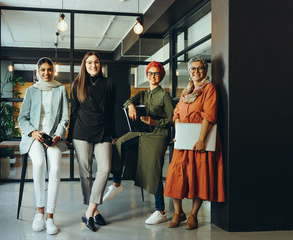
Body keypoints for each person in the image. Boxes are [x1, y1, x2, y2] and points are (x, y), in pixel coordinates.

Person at [103, 61, 174, 225]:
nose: (153, 76)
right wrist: (131, 106)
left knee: (153, 169)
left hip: (158, 134)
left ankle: (160, 211)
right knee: (120, 142)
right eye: (150, 73)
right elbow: (128, 100)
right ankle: (117, 183)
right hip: (143, 132)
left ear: (161, 76)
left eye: (156, 73)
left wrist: (154, 121)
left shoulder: (164, 95)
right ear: (146, 75)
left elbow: (171, 119)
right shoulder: (142, 94)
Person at [164, 56, 225, 230]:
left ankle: (193, 215)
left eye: (200, 68)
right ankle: (178, 213)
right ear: (189, 72)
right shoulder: (186, 92)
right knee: (175, 177)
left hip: (199, 142)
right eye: (193, 69)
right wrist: (178, 133)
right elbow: (176, 114)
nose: (196, 72)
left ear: (205, 71)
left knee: (198, 177)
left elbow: (209, 115)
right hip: (183, 142)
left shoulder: (209, 89)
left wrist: (201, 140)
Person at [18, 57, 69, 235]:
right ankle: (39, 211)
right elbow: (22, 118)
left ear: (53, 71)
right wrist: (33, 132)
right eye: (43, 70)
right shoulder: (31, 91)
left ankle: (49, 216)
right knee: (39, 164)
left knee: (55, 168)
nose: (46, 73)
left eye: (49, 69)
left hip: (53, 138)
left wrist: (58, 135)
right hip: (34, 137)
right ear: (37, 72)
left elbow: (65, 117)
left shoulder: (61, 89)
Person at [67, 51, 115, 232]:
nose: (93, 65)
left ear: (100, 64)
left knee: (105, 169)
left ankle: (89, 211)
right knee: (86, 172)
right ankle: (94, 212)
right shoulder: (77, 84)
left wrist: (113, 133)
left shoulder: (109, 83)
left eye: (96, 62)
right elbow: (74, 112)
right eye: (89, 63)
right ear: (84, 65)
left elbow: (111, 111)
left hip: (103, 131)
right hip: (81, 132)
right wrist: (69, 136)